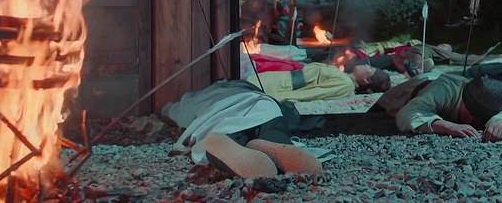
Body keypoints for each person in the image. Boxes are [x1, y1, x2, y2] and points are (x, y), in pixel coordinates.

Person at [162, 79, 330, 178]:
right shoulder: (246, 87)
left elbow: (169, 111)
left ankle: (225, 145)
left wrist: (166, 110)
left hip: (222, 111)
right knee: (272, 126)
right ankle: (278, 142)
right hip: (261, 103)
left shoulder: (193, 99)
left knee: (226, 133)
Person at [374, 73, 502, 142]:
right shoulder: (444, 90)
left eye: (482, 117)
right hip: (398, 98)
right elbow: (407, 113)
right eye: (472, 113)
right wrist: (446, 126)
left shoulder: (490, 96)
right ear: (464, 99)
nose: (474, 121)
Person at [245, 62, 391, 102]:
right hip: (281, 78)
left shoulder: (346, 84)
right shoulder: (344, 78)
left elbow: (312, 93)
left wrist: (274, 98)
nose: (365, 65)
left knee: (244, 88)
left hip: (282, 86)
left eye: (369, 68)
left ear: (367, 80)